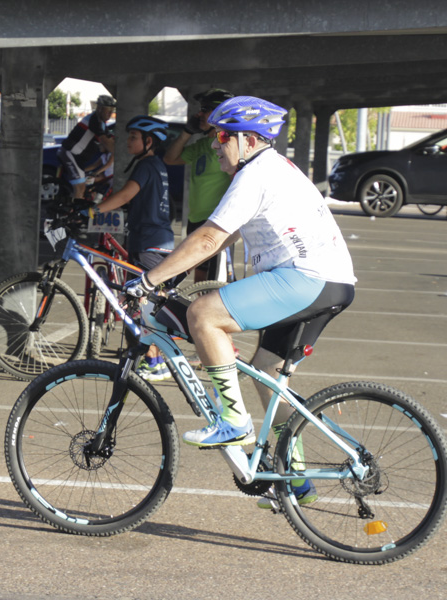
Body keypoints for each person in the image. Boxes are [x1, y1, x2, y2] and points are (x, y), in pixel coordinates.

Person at [124, 96, 356, 506]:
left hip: (305, 278)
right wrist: (171, 272)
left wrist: (147, 280)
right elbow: (224, 235)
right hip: (330, 282)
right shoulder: (270, 169)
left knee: (203, 314)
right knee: (269, 371)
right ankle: (296, 481)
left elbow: (210, 237)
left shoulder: (256, 174)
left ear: (248, 140)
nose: (215, 145)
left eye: (221, 136)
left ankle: (233, 422)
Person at [85, 115, 176, 381]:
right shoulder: (155, 165)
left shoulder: (146, 166)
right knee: (147, 301)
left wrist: (92, 211)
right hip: (156, 240)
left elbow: (126, 194)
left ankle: (155, 362)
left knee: (146, 303)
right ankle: (152, 358)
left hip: (149, 243)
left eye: (134, 137)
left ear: (149, 142)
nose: (128, 141)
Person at [163, 88, 235, 282]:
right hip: (195, 220)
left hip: (216, 222)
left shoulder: (229, 146)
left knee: (216, 283)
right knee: (199, 281)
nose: (199, 114)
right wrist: (187, 132)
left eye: (206, 109)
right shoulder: (204, 145)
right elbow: (170, 159)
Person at [58, 94, 116, 202]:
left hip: (78, 157)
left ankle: (72, 210)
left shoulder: (102, 123)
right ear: (99, 109)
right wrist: (121, 153)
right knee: (80, 187)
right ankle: (75, 216)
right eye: (108, 110)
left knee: (82, 188)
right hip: (70, 153)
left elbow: (110, 140)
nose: (110, 114)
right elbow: (105, 140)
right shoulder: (94, 120)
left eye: (112, 111)